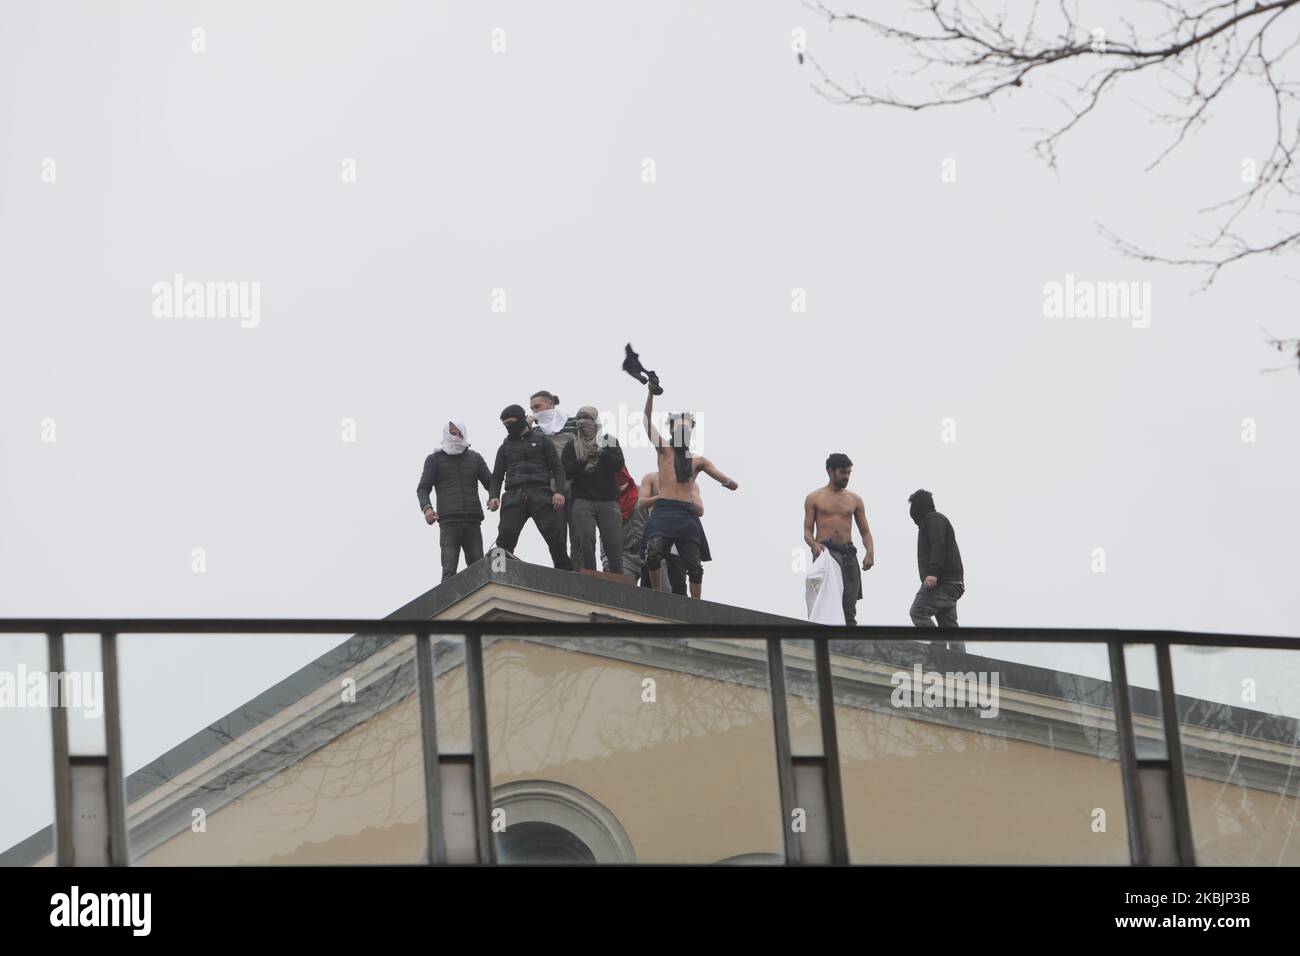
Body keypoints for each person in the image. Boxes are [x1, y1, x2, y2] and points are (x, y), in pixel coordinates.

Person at [640, 381, 737, 598]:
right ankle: (656, 594)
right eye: (678, 425)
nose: (682, 429)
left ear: (690, 430)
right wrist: (650, 393)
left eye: (686, 426)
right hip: (664, 510)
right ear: (671, 428)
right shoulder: (664, 450)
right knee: (653, 554)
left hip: (686, 514)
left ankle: (696, 606)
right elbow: (646, 422)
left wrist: (729, 483)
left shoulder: (697, 460)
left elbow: (719, 475)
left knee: (694, 567)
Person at [488, 405, 573, 570]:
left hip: (540, 493)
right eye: (505, 424)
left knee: (554, 536)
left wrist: (559, 492)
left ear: (521, 418)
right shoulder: (505, 447)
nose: (508, 427)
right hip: (514, 494)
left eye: (511, 422)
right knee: (506, 534)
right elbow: (497, 475)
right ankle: (498, 574)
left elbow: (557, 469)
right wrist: (493, 496)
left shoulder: (542, 441)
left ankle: (565, 573)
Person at [416, 420, 494, 581]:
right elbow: (423, 488)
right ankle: (448, 604)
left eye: (460, 433)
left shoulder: (475, 457)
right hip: (449, 521)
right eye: (453, 433)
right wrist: (427, 508)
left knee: (478, 569)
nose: (457, 436)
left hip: (472, 519)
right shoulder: (434, 459)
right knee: (449, 570)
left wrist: (493, 496)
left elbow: (490, 482)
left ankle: (480, 603)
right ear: (446, 433)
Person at [803, 453, 874, 624]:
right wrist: (813, 545)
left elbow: (865, 532)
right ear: (830, 471)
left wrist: (870, 552)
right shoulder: (814, 498)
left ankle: (850, 645)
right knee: (828, 602)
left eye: (849, 473)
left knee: (849, 607)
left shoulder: (854, 500)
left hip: (848, 554)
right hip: (827, 553)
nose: (846, 477)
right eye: (843, 472)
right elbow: (806, 531)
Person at [561, 406, 626, 572]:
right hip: (582, 500)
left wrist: (601, 453)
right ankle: (589, 577)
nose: (583, 422)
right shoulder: (571, 445)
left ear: (595, 420)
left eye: (587, 418)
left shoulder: (608, 440)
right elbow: (565, 471)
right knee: (585, 540)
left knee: (614, 543)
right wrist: (584, 459)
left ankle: (617, 580)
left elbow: (618, 464)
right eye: (580, 418)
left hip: (608, 501)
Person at [908, 488, 965, 649]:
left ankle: (938, 642)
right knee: (950, 627)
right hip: (953, 584)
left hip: (942, 581)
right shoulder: (935, 520)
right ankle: (961, 660)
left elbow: (938, 546)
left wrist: (932, 573)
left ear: (917, 510)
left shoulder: (932, 519)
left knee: (918, 611)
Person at [636, 470, 707, 594]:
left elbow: (700, 510)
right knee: (651, 567)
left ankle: (692, 608)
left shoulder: (690, 484)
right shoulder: (651, 478)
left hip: (680, 537)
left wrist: (684, 494)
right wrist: (661, 496)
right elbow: (641, 503)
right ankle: (655, 596)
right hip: (657, 531)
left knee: (678, 584)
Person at [529, 389, 581, 559]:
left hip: (575, 484)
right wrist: (526, 427)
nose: (535, 411)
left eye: (538, 407)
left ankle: (580, 576)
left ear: (550, 404)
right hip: (550, 487)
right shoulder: (535, 432)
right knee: (557, 536)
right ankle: (562, 574)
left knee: (579, 535)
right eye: (532, 409)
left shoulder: (572, 422)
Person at [600, 464, 643, 579]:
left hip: (648, 552)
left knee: (663, 590)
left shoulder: (643, 494)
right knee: (620, 590)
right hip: (625, 556)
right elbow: (604, 534)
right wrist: (605, 560)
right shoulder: (608, 503)